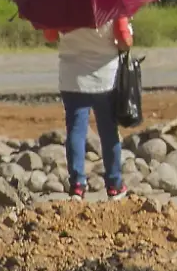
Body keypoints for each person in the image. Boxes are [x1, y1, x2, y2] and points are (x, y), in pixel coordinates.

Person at [40, 15, 133, 199]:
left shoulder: (62, 4)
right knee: (108, 131)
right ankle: (114, 184)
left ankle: (77, 185)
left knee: (75, 130)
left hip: (72, 78)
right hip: (105, 78)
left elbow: (50, 36)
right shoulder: (111, 3)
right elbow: (124, 42)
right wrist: (129, 31)